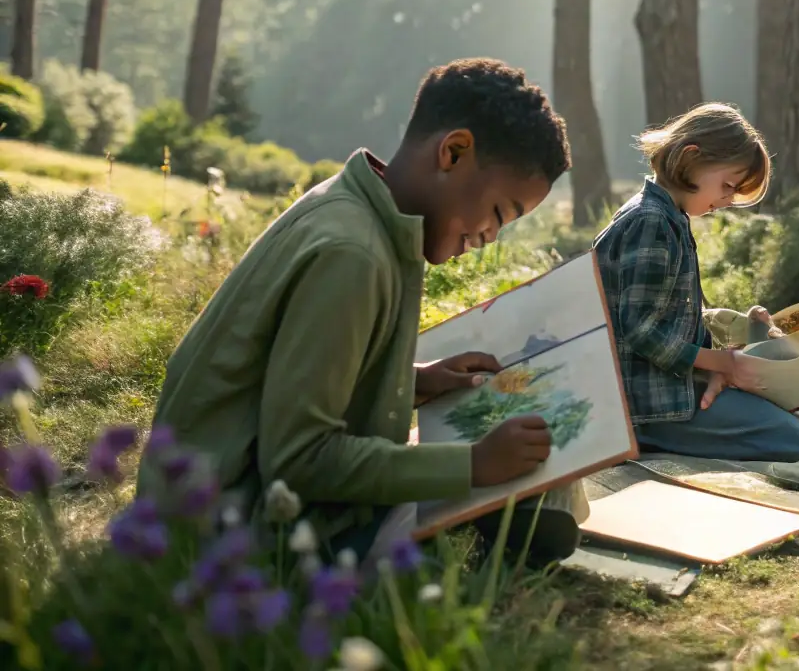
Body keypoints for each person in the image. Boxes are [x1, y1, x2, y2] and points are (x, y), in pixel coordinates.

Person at [137, 58, 583, 565]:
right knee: (482, 498)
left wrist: (412, 381)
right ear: (453, 152)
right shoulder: (352, 254)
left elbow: (289, 377)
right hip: (230, 531)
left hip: (232, 496)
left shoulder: (361, 208)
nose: (491, 237)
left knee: (511, 455)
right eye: (501, 213)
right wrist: (475, 465)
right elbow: (299, 461)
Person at [594, 103, 799, 463]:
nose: (726, 201)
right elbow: (641, 329)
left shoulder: (667, 216)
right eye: (727, 186)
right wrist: (723, 363)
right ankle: (640, 441)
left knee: (781, 419)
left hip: (666, 387)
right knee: (789, 437)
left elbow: (675, 319)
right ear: (690, 157)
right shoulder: (651, 222)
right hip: (644, 403)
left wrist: (716, 368)